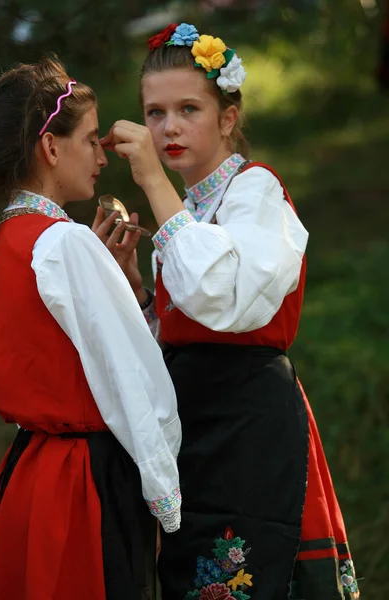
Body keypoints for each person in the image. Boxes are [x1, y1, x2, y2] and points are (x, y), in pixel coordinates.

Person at [99, 23, 360, 600]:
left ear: (227, 117)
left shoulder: (254, 191)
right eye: (156, 112)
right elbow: (183, 332)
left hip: (249, 419)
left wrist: (151, 181)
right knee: (191, 576)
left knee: (252, 574)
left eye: (189, 108)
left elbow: (224, 299)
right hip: (194, 419)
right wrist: (140, 290)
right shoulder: (188, 208)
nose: (168, 127)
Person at [0, 56, 181, 600]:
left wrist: (109, 275)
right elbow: (131, 376)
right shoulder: (65, 242)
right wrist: (165, 489)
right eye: (92, 140)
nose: (101, 158)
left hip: (31, 470)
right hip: (83, 481)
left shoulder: (14, 237)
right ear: (51, 147)